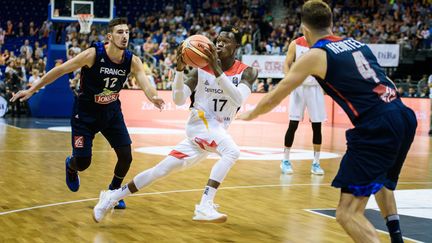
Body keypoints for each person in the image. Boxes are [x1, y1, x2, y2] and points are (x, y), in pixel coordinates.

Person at [238, 1, 417, 243]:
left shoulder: (315, 55)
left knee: (347, 213)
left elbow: (277, 94)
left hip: (377, 125)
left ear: (305, 30)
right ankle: (396, 238)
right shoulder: (358, 44)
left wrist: (251, 113)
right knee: (382, 180)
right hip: (403, 114)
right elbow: (387, 82)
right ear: (331, 24)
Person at [92, 26, 258, 223]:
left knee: (160, 170)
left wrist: (217, 68)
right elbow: (179, 99)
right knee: (232, 152)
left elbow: (238, 99)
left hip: (213, 132)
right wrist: (179, 70)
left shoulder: (248, 72)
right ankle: (204, 206)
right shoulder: (201, 70)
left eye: (227, 40)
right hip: (200, 125)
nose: (220, 43)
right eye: (218, 39)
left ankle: (112, 196)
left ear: (237, 46)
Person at [10, 18, 165, 210]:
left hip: (111, 113)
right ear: (110, 36)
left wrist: (154, 97)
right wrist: (32, 89)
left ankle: (113, 193)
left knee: (126, 156)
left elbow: (145, 83)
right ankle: (71, 165)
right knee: (83, 162)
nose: (124, 36)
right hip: (85, 114)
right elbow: (60, 70)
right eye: (119, 32)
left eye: (126, 32)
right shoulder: (93, 54)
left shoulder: (132, 60)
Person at [281, 35, 326, 175]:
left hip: (315, 88)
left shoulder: (322, 44)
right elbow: (287, 63)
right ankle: (285, 160)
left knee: (317, 126)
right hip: (298, 87)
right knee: (293, 124)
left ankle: (316, 163)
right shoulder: (296, 43)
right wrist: (289, 80)